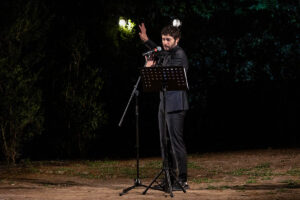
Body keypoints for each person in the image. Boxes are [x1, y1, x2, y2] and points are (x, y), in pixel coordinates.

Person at [139, 23, 189, 190]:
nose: (165, 43)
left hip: (176, 105)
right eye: (163, 39)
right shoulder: (166, 52)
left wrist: (152, 69)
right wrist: (147, 41)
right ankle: (168, 178)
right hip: (164, 104)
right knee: (163, 142)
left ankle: (182, 180)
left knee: (176, 143)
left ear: (177, 40)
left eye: (168, 40)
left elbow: (168, 74)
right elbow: (158, 51)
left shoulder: (179, 54)